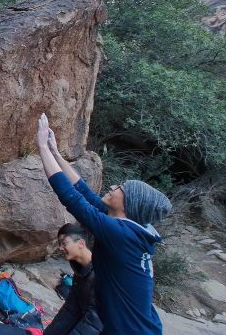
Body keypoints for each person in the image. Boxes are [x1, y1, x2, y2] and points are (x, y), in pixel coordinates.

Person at [35, 113, 172, 335]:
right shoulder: (127, 227)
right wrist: (55, 153)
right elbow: (85, 193)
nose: (113, 187)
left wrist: (41, 146)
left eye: (121, 189)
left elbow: (72, 198)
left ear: (128, 205)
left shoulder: (122, 234)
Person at [45, 223, 103, 335]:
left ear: (81, 243)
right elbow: (71, 308)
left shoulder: (100, 273)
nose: (60, 248)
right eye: (59, 244)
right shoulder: (80, 271)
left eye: (64, 243)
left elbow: (95, 320)